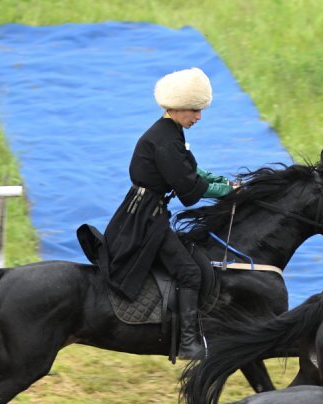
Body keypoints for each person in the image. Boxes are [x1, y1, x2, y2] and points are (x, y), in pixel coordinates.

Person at [100, 67, 234, 360]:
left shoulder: (170, 132)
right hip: (145, 219)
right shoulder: (166, 140)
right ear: (176, 107)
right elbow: (189, 187)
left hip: (147, 212)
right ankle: (187, 343)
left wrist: (224, 181)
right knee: (188, 272)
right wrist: (228, 192)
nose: (198, 117)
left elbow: (193, 170)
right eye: (195, 110)